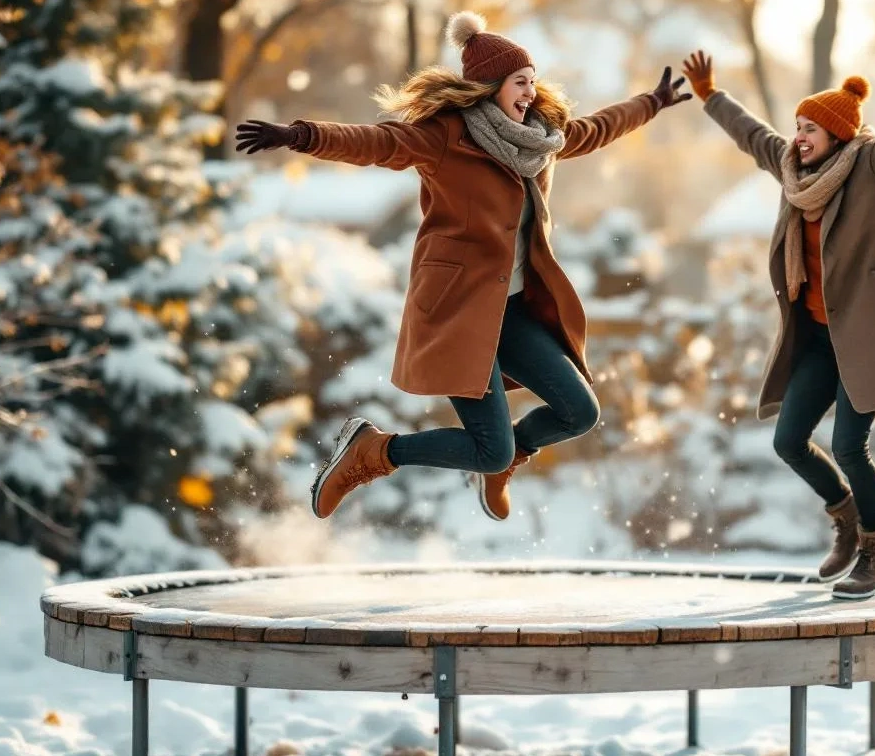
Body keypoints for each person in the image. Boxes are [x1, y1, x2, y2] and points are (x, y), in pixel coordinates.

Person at [235, 11, 691, 523]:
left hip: (511, 312)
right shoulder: (446, 136)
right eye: (519, 82)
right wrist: (300, 135)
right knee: (488, 449)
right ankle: (374, 451)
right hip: (457, 311)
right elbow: (378, 142)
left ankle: (507, 459)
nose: (530, 92)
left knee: (579, 411)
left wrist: (652, 102)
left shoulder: (540, 140)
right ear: (491, 87)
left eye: (533, 81)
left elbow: (598, 128)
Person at [680, 27, 875, 600]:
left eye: (810, 128)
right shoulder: (793, 171)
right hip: (821, 336)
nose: (798, 137)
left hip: (870, 333)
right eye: (798, 126)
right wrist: (710, 95)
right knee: (789, 441)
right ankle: (848, 520)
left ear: (837, 135)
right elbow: (753, 136)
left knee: (850, 445)